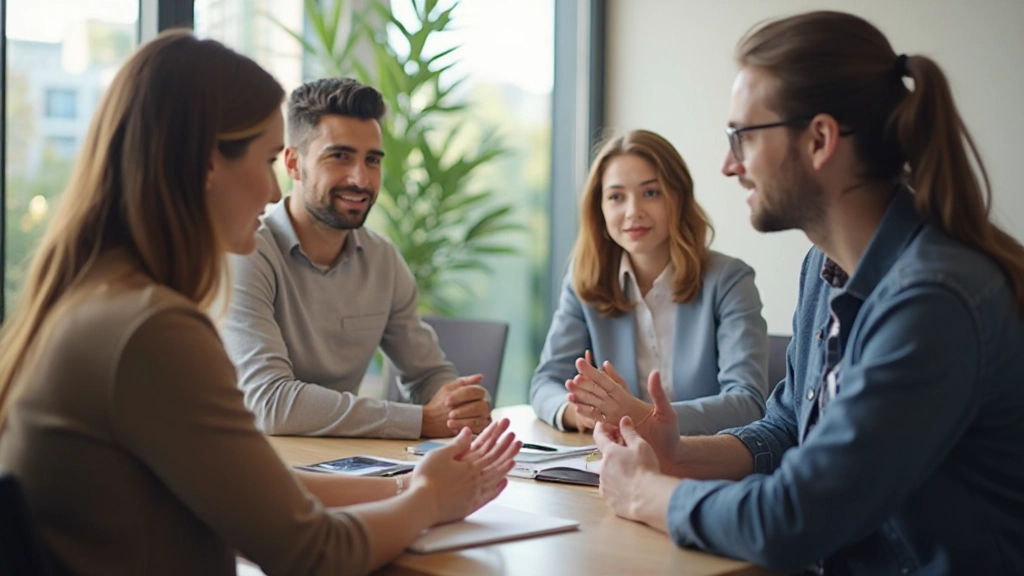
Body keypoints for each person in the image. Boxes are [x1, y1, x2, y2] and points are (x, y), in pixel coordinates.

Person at [0, 31, 519, 576]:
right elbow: (316, 553)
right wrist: (429, 501)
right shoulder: (151, 330)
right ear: (205, 166)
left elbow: (242, 482)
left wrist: (406, 483)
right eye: (269, 159)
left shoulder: (99, 302)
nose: (274, 192)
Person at [583, 10, 1024, 575]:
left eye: (742, 136)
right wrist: (678, 452)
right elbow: (789, 426)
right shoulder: (826, 265)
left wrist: (647, 493)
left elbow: (794, 517)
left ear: (819, 139)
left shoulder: (933, 300)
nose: (727, 164)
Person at [219, 77, 490, 439]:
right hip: (253, 465)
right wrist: (421, 421)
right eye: (340, 156)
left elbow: (426, 374)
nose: (360, 179)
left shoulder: (383, 260)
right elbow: (270, 403)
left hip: (341, 465)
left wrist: (459, 404)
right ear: (293, 163)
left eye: (372, 160)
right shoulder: (246, 253)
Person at [530, 130, 769, 435]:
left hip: (703, 462)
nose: (633, 212)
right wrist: (576, 414)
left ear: (679, 198)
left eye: (651, 193)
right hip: (613, 458)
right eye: (616, 197)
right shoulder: (585, 280)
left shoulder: (730, 281)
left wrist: (640, 416)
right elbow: (545, 382)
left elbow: (747, 403)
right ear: (599, 209)